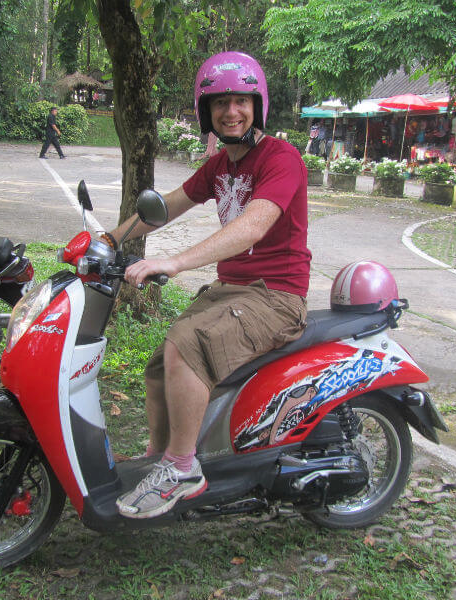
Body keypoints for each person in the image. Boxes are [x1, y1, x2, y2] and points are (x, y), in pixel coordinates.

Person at [102, 51, 311, 519]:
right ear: (205, 111)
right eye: (220, 103)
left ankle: (181, 467)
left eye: (241, 101)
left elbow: (253, 226)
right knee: (160, 365)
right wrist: (107, 238)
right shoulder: (220, 164)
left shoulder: (282, 158)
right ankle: (160, 456)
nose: (231, 111)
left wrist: (176, 261)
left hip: (275, 296)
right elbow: (168, 206)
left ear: (258, 105)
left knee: (186, 343)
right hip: (234, 293)